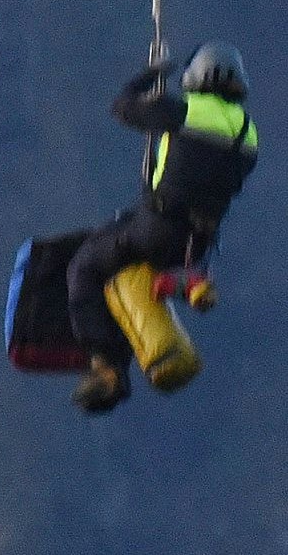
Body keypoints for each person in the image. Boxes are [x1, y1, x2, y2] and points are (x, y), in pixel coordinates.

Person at [67, 41, 257, 414]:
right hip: (197, 244)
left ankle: (107, 369)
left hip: (157, 229)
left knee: (85, 265)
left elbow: (123, 107)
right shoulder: (248, 134)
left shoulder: (187, 112)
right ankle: (164, 301)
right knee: (123, 266)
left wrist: (152, 74)